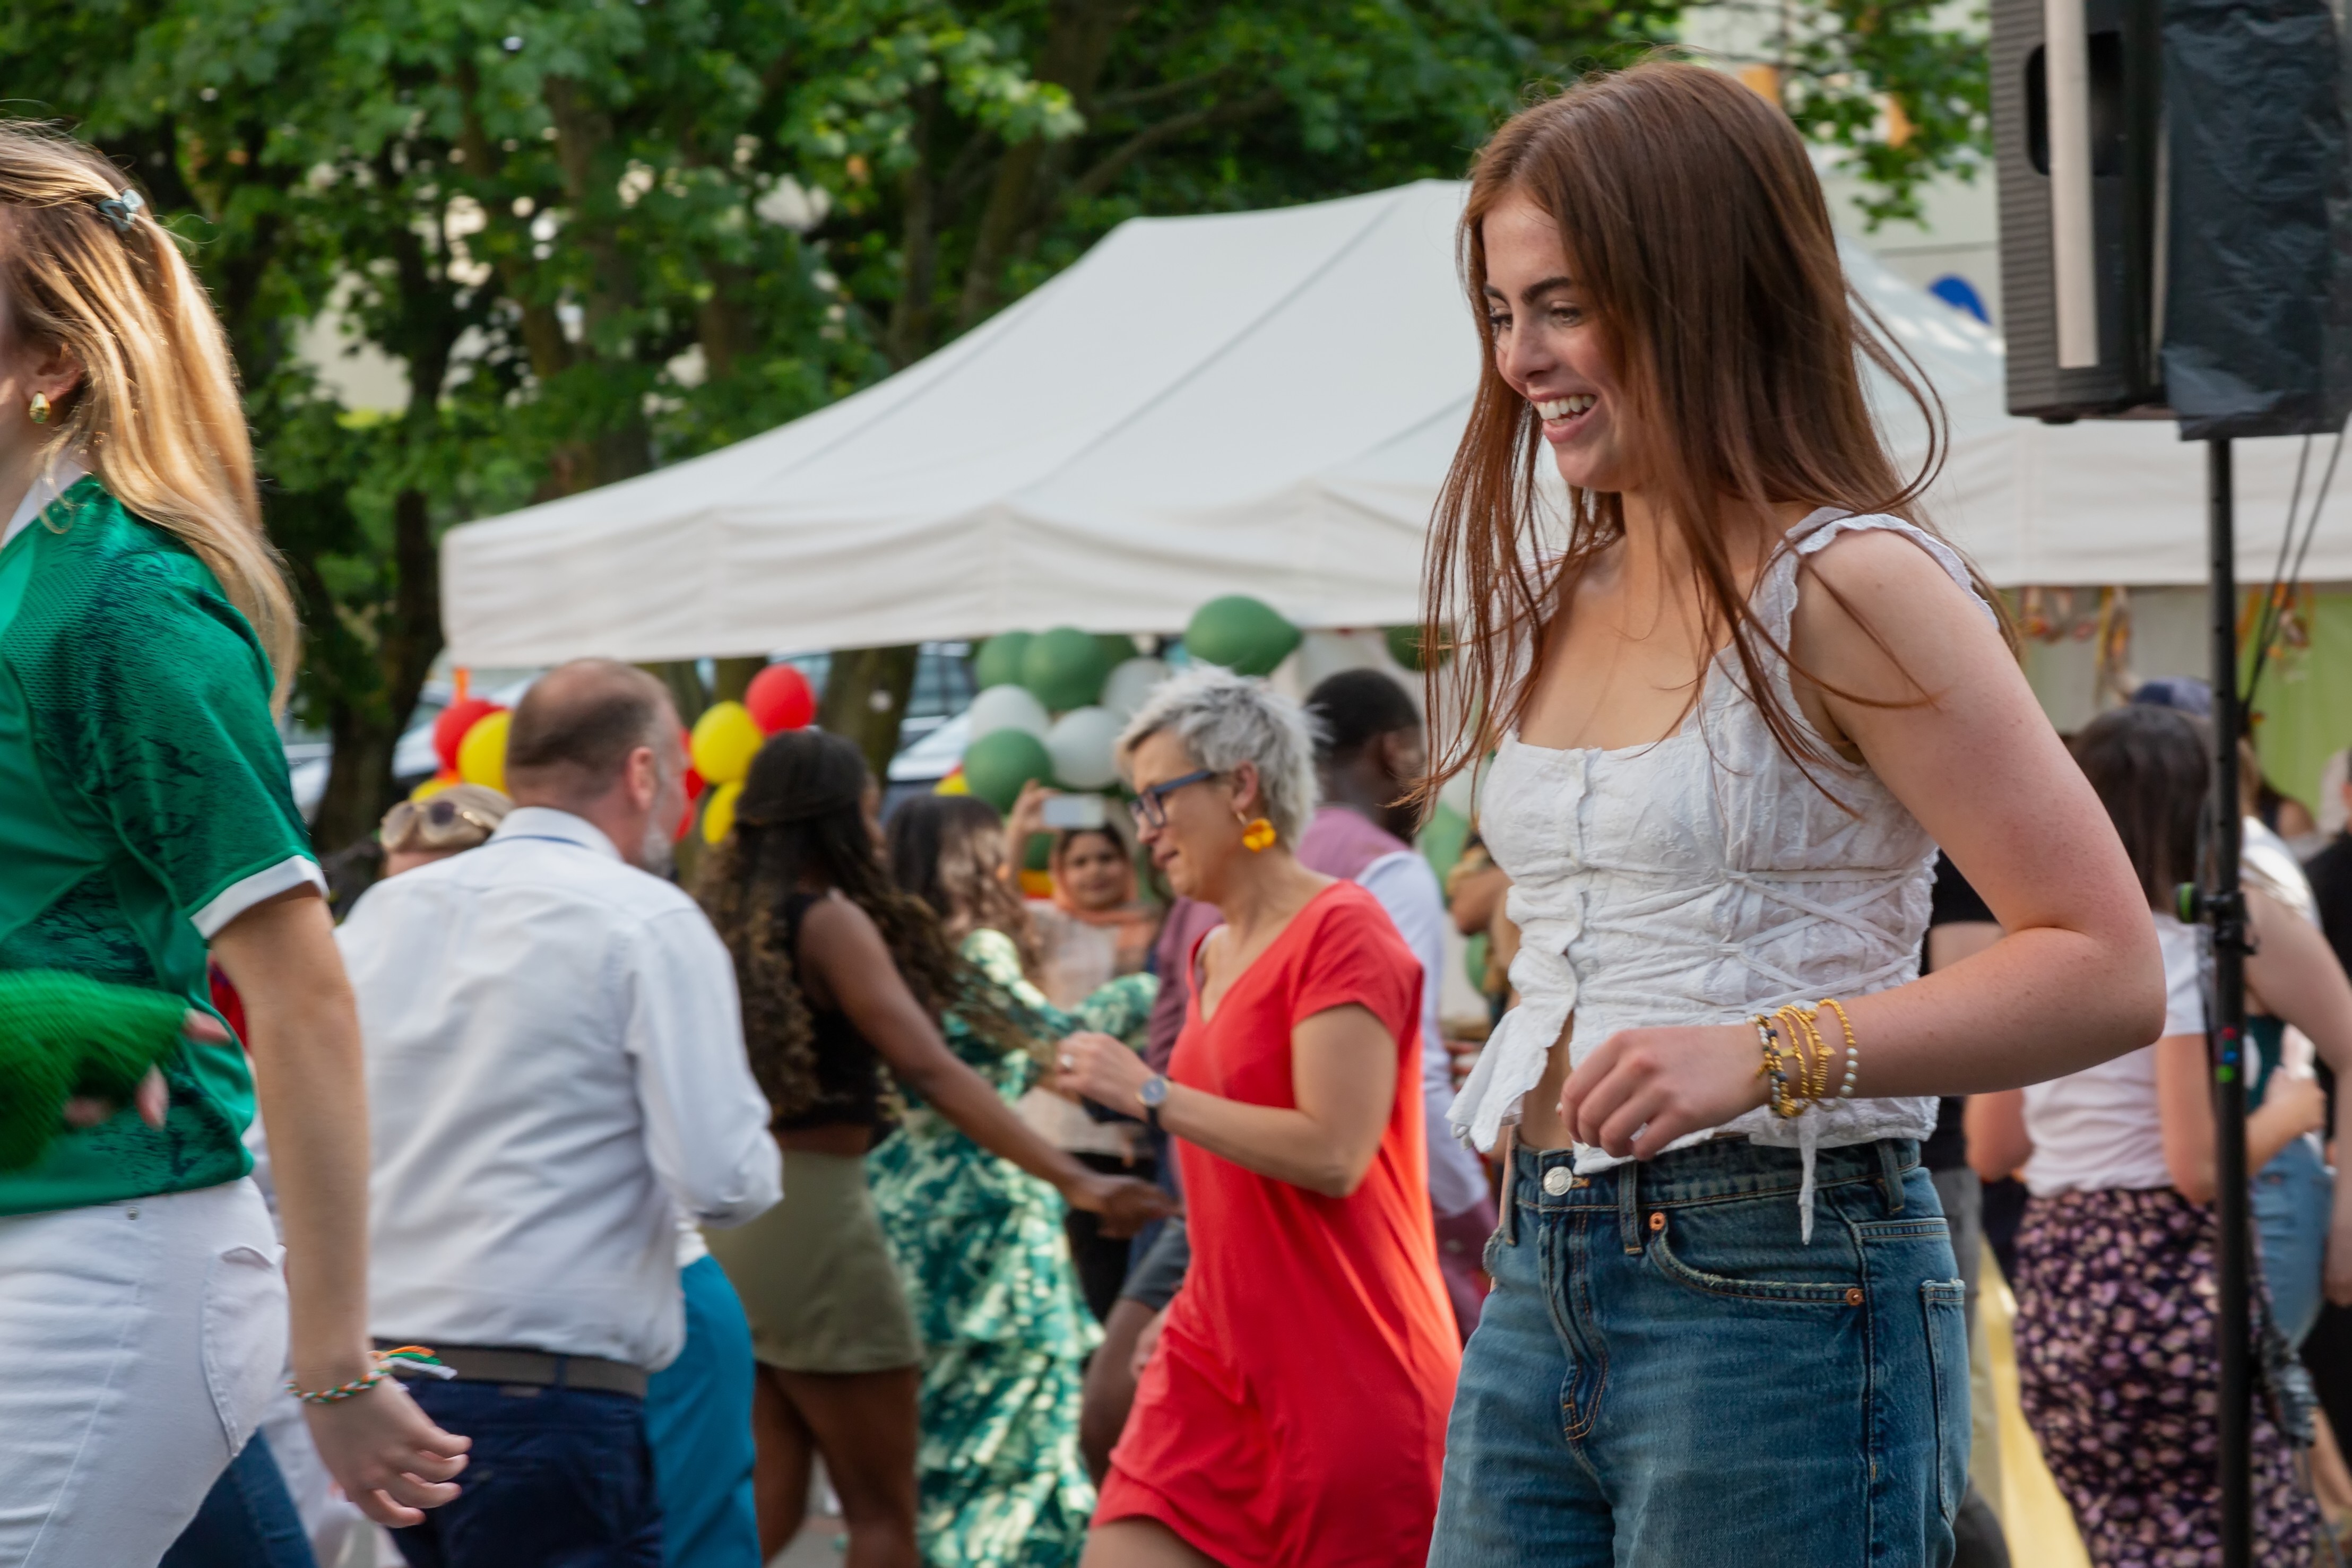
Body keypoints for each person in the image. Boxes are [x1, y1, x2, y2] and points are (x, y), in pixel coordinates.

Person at [1416, 64, 2164, 1565]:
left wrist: (1769, 1050)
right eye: (1501, 312)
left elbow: (2105, 963)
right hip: (1543, 1253)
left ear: (1699, 293)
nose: (1520, 358)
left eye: (1562, 306)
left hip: (1782, 1271)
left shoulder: (1853, 581)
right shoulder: (1568, 587)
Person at [0, 126, 471, 1565]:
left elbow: (303, 994)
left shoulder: (122, 605)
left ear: (49, 364)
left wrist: (336, 1361)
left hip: (99, 1255)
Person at [338, 660, 783, 1567]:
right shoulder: (646, 918)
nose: (684, 804)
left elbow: (287, 1150)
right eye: (682, 777)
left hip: (392, 1376)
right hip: (546, 1390)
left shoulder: (382, 912)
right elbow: (724, 1181)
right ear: (642, 772)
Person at [694, 730, 1170, 1568]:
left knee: (770, 1499)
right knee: (887, 1513)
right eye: (868, 813)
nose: (877, 834)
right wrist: (1077, 1180)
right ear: (837, 817)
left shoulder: (725, 928)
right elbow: (929, 1067)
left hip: (743, 1223)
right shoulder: (830, 920)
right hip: (823, 1220)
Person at [1056, 667, 1462, 1567]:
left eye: (1158, 799)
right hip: (1214, 1354)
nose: (1145, 830)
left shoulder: (1342, 927)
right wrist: (1198, 1292)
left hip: (1348, 1366)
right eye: (1137, 805)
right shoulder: (1208, 950)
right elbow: (1230, 1172)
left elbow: (1334, 1151)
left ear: (1241, 785)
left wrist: (1149, 1093)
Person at [1968, 704, 2352, 1564]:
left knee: (2123, 1530)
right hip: (2172, 1268)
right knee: (2239, 1521)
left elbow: (1993, 1147)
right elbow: (2196, 1166)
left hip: (2060, 1271)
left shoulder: (2037, 949)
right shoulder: (2190, 947)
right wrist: (2291, 1113)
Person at [875, 793, 1160, 1568]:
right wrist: (1152, 984)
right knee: (1009, 1445)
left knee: (934, 1441)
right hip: (987, 1226)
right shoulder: (977, 952)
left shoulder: (886, 954)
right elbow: (1059, 1044)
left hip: (899, 1212)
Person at [1300, 666, 1498, 1337]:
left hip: (1256, 1183)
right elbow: (1412, 1072)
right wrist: (1474, 1219)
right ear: (1393, 749)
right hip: (1372, 1197)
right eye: (1418, 753)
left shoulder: (1256, 855)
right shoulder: (1388, 868)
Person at [999, 785, 1163, 1321]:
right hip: (1063, 1133)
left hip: (1144, 1129)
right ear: (1061, 872)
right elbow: (993, 916)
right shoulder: (1047, 926)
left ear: (1127, 862)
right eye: (1080, 861)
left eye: (1106, 858)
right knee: (1079, 1288)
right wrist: (1019, 833)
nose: (1095, 871)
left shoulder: (1157, 923)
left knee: (1134, 1287)